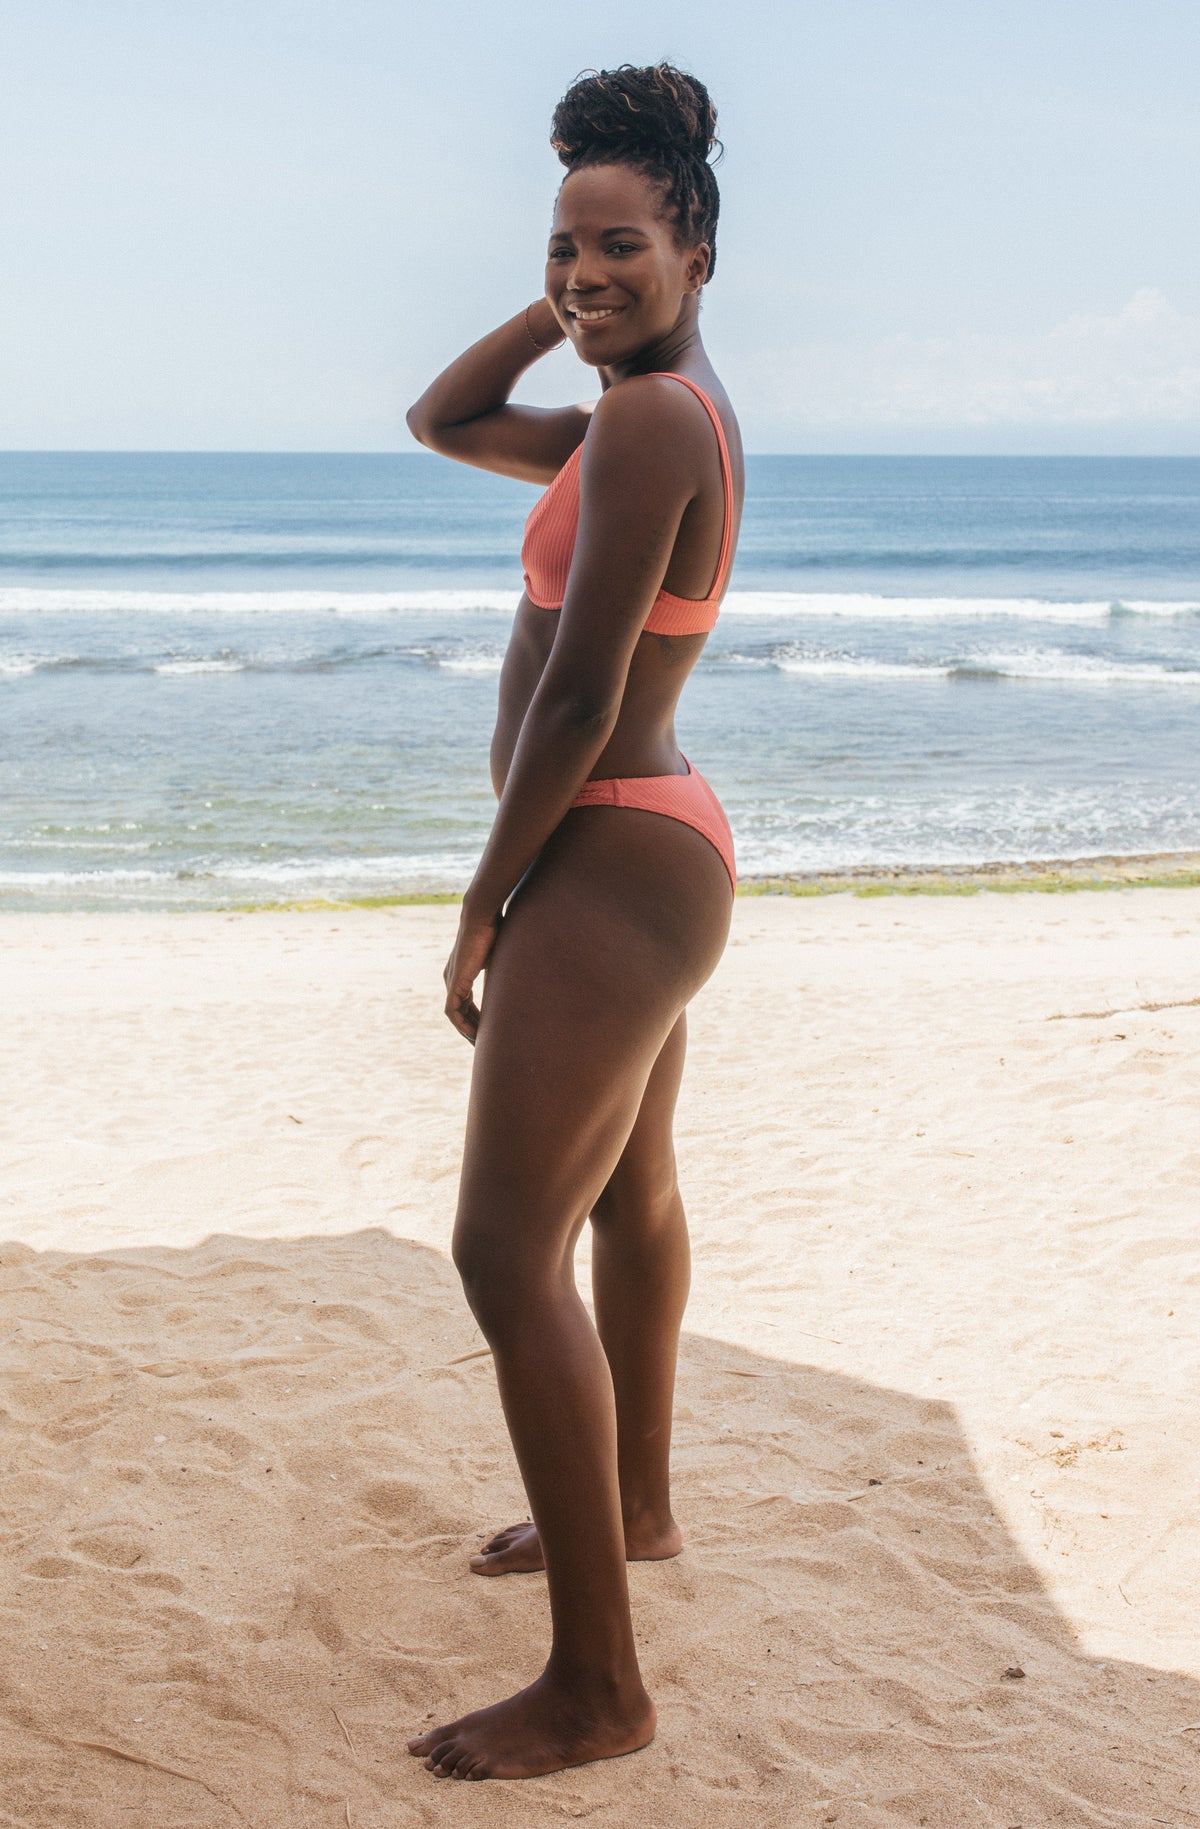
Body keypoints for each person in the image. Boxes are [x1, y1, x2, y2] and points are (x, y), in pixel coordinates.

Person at [404, 62, 742, 1782]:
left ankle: (599, 1688)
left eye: (624, 244)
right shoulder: (642, 408)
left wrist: (482, 902)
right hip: (653, 847)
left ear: (698, 248)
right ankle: (642, 1506)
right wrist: (565, 301)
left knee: (498, 1248)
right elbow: (441, 422)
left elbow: (583, 693)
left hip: (608, 846)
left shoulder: (657, 423)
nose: (585, 269)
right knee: (632, 1194)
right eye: (561, 243)